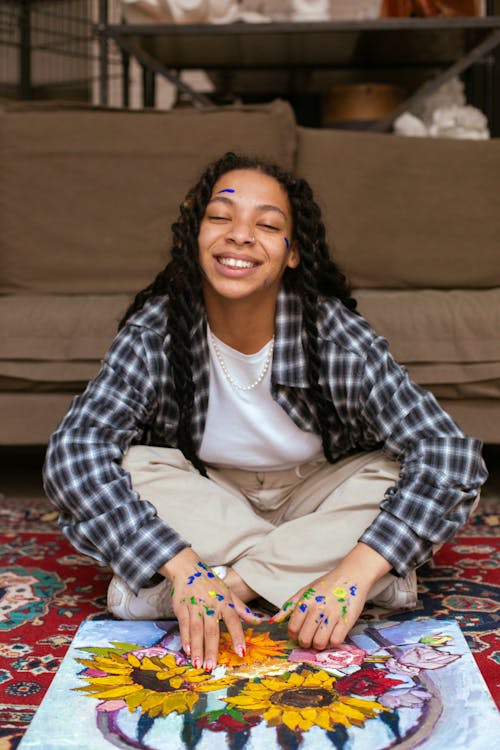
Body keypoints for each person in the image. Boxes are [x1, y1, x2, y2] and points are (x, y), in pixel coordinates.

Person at [43, 152, 487, 674]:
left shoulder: (335, 336)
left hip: (318, 493)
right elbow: (73, 453)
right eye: (221, 217)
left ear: (292, 252)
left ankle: (233, 585)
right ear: (195, 235)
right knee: (136, 465)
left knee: (403, 473)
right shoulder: (155, 331)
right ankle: (360, 581)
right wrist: (186, 569)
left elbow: (450, 457)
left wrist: (348, 574)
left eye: (268, 224)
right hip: (214, 499)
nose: (240, 235)